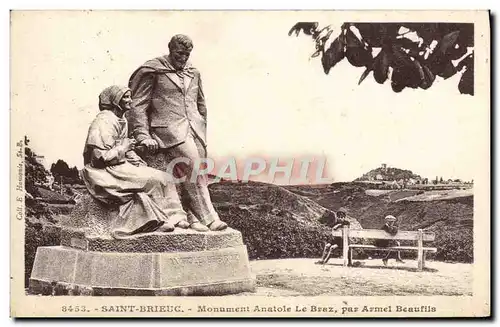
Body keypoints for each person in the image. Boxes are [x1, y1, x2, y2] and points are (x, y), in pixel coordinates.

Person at [127, 34, 227, 232]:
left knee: (192, 174)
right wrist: (142, 135)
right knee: (193, 169)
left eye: (187, 54)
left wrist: (202, 129)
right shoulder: (153, 70)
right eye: (180, 53)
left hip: (194, 130)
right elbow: (137, 105)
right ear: (171, 49)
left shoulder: (194, 72)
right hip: (167, 130)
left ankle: (192, 218)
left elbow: (201, 104)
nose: (183, 58)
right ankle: (209, 218)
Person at [81, 85, 190, 239]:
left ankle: (176, 217)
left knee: (164, 177)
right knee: (154, 180)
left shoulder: (122, 120)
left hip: (120, 165)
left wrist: (136, 159)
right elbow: (98, 158)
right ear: (115, 100)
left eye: (130, 96)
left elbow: (126, 147)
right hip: (105, 171)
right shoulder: (103, 121)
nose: (130, 101)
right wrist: (123, 149)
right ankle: (160, 220)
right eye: (126, 97)